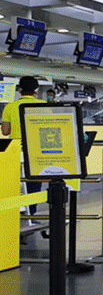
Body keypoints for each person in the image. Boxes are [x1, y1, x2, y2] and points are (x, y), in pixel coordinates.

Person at [1, 77, 44, 216]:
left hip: (14, 151)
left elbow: (5, 131)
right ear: (36, 90)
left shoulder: (10, 106)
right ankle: (30, 214)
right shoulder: (43, 105)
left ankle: (13, 215)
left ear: (19, 90)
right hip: (35, 149)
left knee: (15, 183)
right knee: (34, 183)